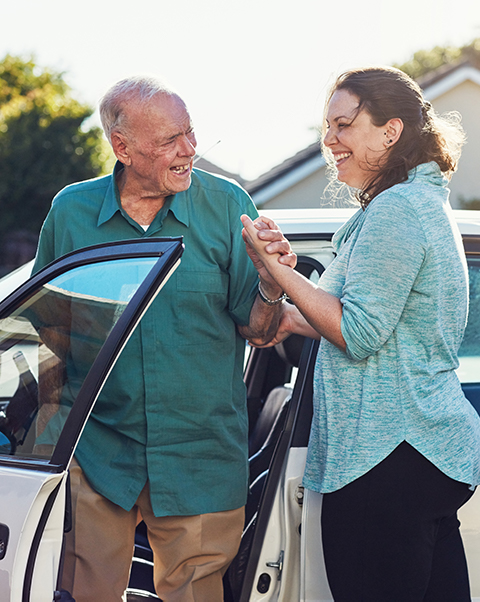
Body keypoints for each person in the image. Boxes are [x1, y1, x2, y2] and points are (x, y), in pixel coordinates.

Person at [32, 76, 294, 602]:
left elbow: (261, 331)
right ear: (122, 147)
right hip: (98, 452)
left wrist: (269, 286)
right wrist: (48, 431)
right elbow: (48, 329)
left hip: (199, 455)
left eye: (190, 134)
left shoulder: (226, 206)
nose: (189, 150)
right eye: (170, 140)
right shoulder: (71, 213)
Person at [241, 66, 480, 601]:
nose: (329, 140)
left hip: (389, 459)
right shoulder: (411, 203)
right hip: (420, 456)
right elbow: (362, 317)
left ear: (390, 131)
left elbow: (358, 332)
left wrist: (281, 273)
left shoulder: (397, 211)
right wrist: (287, 311)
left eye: (344, 125)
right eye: (327, 127)